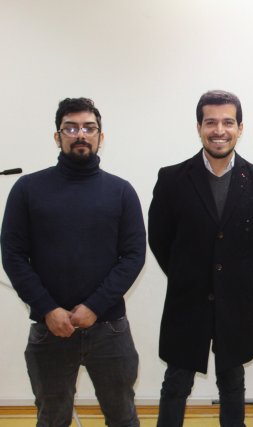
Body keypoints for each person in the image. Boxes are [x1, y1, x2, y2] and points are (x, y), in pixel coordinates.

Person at [0, 97, 146, 426]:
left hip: (109, 328)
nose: (80, 134)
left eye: (88, 128)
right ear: (57, 136)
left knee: (123, 417)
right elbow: (13, 255)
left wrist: (94, 306)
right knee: (52, 419)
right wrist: (47, 309)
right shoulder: (27, 189)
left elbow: (133, 255)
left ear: (100, 137)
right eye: (71, 128)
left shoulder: (121, 191)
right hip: (49, 327)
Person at [148, 90, 253, 427]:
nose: (219, 130)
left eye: (228, 122)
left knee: (233, 382)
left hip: (235, 300)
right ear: (199, 127)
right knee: (176, 382)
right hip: (186, 299)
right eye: (211, 122)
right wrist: (185, 273)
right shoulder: (172, 178)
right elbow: (159, 238)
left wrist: (239, 274)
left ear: (240, 128)